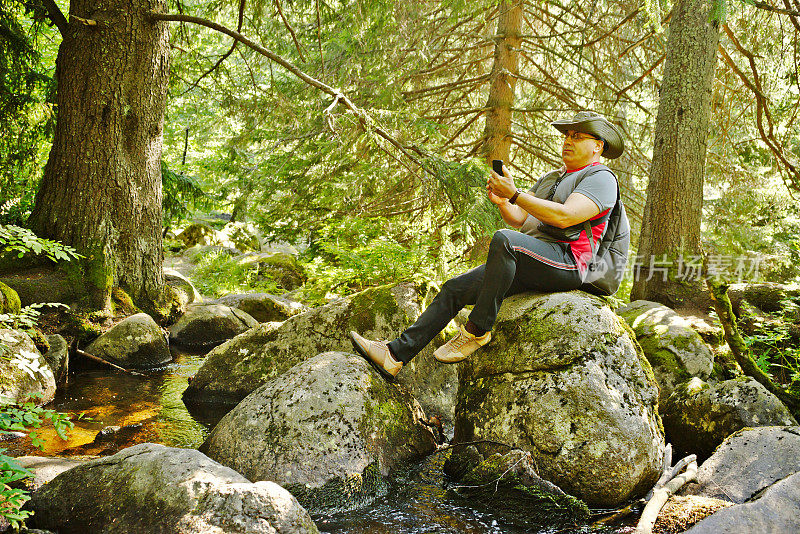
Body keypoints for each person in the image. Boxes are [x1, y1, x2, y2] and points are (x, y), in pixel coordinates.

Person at [350, 111, 625, 380]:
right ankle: (395, 356)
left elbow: (565, 217)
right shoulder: (552, 178)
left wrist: (515, 194)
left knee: (504, 240)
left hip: (569, 262)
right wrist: (504, 201)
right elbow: (520, 219)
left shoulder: (601, 178)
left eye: (577, 136)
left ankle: (477, 330)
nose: (568, 140)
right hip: (534, 259)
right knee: (454, 288)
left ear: (597, 146)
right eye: (567, 134)